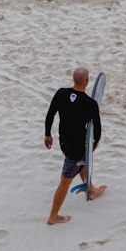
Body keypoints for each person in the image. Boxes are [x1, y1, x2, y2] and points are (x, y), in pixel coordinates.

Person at [44, 67, 106, 224]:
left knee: (82, 164)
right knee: (65, 182)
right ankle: (53, 216)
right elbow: (97, 129)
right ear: (87, 81)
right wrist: (93, 146)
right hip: (77, 148)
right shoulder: (90, 103)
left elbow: (50, 113)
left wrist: (47, 134)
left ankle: (91, 190)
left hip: (64, 142)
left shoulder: (61, 93)